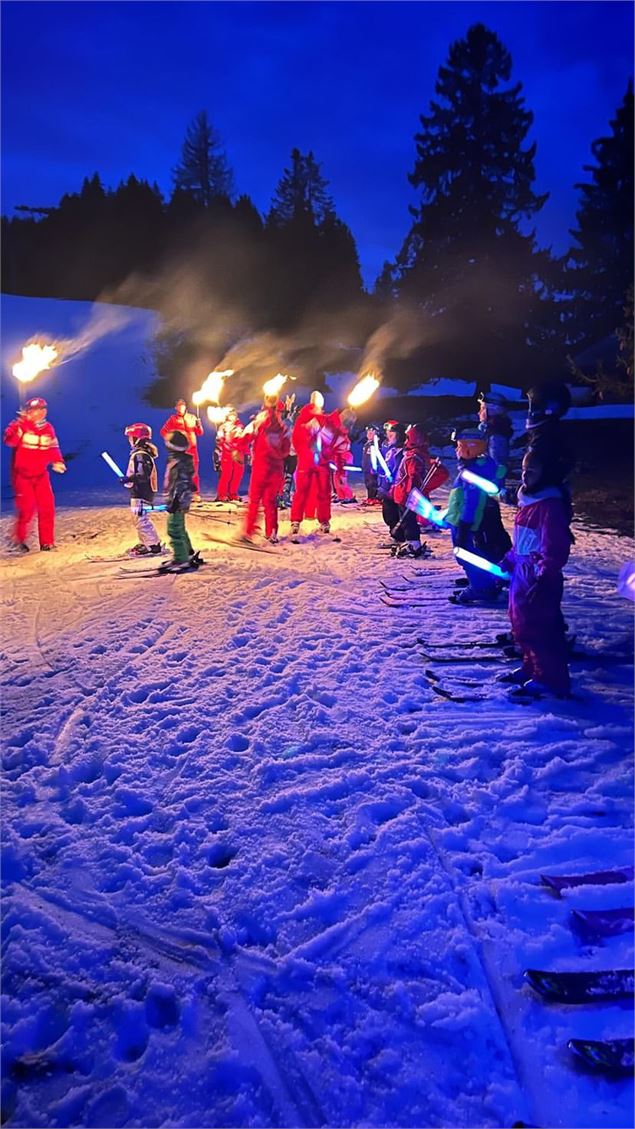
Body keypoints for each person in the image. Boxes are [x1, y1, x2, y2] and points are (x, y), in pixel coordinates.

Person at [499, 391, 574, 699]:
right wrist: (509, 559)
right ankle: (531, 667)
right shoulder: (528, 502)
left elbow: (554, 547)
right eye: (523, 470)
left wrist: (544, 576)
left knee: (541, 628)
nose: (525, 476)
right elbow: (523, 541)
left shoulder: (549, 505)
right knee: (521, 624)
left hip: (540, 577)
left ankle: (551, 679)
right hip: (523, 572)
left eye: (532, 471)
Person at [445, 427, 504, 604]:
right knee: (477, 553)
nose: (457, 450)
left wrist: (464, 524)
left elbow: (471, 501)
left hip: (467, 522)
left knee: (467, 555)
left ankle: (481, 587)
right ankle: (483, 581)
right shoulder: (481, 466)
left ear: (470, 449)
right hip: (470, 520)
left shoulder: (473, 472)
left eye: (460, 446)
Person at [3, 396, 66, 551]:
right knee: (27, 509)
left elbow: (53, 447)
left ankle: (47, 542)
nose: (40, 412)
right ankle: (18, 540)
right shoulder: (21, 425)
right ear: (30, 411)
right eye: (36, 409)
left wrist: (57, 461)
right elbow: (9, 441)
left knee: (47, 508)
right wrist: (18, 427)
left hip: (41, 475)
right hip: (22, 475)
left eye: (43, 409)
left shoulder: (48, 429)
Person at [241, 395, 291, 543]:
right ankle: (272, 532)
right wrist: (276, 454)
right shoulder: (283, 428)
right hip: (276, 469)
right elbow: (286, 450)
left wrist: (238, 448)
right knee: (270, 502)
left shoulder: (259, 422)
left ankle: (248, 531)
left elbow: (245, 437)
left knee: (254, 501)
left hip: (261, 467)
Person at [290, 391, 331, 536]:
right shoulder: (319, 420)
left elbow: (295, 440)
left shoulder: (303, 419)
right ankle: (323, 521)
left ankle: (297, 521)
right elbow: (330, 440)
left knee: (303, 491)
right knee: (322, 492)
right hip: (318, 462)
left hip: (310, 461)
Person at [121, 423, 163, 556]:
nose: (129, 440)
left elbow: (143, 475)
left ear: (137, 438)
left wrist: (129, 479)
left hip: (141, 492)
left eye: (131, 437)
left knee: (141, 519)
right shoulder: (141, 454)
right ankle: (146, 541)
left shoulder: (140, 455)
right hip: (139, 491)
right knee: (138, 518)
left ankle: (152, 545)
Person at [391, 423, 431, 558]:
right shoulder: (411, 454)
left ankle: (414, 543)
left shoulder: (414, 457)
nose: (405, 441)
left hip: (406, 495)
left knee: (409, 520)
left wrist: (410, 492)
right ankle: (410, 541)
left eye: (408, 438)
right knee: (405, 519)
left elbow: (413, 476)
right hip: (402, 494)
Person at [161, 431, 198, 572]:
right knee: (180, 527)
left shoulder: (178, 462)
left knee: (174, 528)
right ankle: (187, 552)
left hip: (178, 500)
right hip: (180, 499)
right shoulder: (179, 460)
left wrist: (176, 500)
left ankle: (180, 559)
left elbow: (180, 483)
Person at [160, 399, 204, 500]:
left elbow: (200, 433)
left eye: (182, 405)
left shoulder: (192, 417)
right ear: (176, 408)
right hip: (179, 450)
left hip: (192, 449)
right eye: (179, 406)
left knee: (193, 471)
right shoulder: (173, 419)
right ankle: (175, 492)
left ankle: (195, 493)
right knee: (177, 471)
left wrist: (199, 425)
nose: (181, 408)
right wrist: (172, 440)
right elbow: (163, 431)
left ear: (185, 407)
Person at [376, 421, 407, 547]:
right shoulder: (390, 449)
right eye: (388, 433)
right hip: (387, 487)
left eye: (392, 434)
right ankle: (395, 534)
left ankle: (398, 536)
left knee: (394, 513)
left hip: (395, 488)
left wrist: (393, 482)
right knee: (388, 513)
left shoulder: (403, 451)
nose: (389, 436)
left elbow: (399, 470)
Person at [477, 391, 513, 488]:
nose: (479, 412)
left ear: (492, 410)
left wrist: (494, 488)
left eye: (482, 408)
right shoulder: (488, 430)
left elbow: (497, 465)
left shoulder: (496, 436)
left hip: (490, 486)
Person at [215, 406, 245, 502]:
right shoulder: (223, 427)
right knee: (226, 474)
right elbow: (219, 439)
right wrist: (219, 440)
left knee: (237, 474)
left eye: (234, 415)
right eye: (231, 415)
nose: (232, 417)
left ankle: (233, 493)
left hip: (238, 453)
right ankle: (222, 494)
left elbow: (244, 438)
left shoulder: (240, 426)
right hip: (227, 452)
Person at [330, 408, 356, 504]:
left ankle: (349, 496)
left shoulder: (344, 432)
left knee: (342, 478)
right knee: (336, 477)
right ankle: (341, 496)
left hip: (343, 458)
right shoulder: (340, 430)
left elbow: (340, 444)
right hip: (337, 457)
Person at [361, 423, 381, 506]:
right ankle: (370, 497)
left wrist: (375, 467)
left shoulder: (376, 443)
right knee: (367, 482)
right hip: (366, 467)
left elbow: (378, 456)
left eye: (371, 433)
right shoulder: (367, 443)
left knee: (372, 483)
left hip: (372, 467)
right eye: (368, 433)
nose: (369, 434)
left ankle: (374, 497)